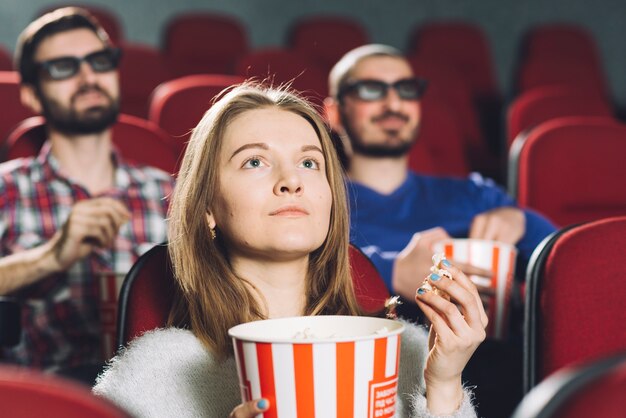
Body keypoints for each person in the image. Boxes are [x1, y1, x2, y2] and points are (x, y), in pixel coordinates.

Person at [93, 82, 486, 418]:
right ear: (207, 207)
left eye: (310, 163)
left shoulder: (410, 351)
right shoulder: (156, 372)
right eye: (255, 161)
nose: (291, 181)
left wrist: (445, 383)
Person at [323, 44, 557, 417]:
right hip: (372, 383)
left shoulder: (474, 193)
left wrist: (520, 221)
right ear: (334, 112)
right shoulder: (319, 202)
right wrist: (390, 272)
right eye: (371, 89)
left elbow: (572, 265)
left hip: (504, 375)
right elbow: (292, 275)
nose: (393, 103)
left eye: (406, 89)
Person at [0, 7, 174, 382]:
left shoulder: (169, 190)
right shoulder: (6, 187)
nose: (88, 76)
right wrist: (50, 256)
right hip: (47, 393)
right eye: (63, 66)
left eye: (99, 61)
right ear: (31, 94)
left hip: (155, 392)